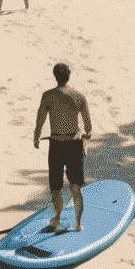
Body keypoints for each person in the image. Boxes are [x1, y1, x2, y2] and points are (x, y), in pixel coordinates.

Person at [32, 62, 93, 232]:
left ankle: (57, 218)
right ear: (69, 76)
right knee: (75, 186)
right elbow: (88, 127)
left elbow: (40, 119)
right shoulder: (79, 96)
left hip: (57, 145)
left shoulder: (48, 96)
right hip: (73, 145)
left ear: (55, 76)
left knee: (56, 187)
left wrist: (36, 137)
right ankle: (78, 223)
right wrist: (85, 137)